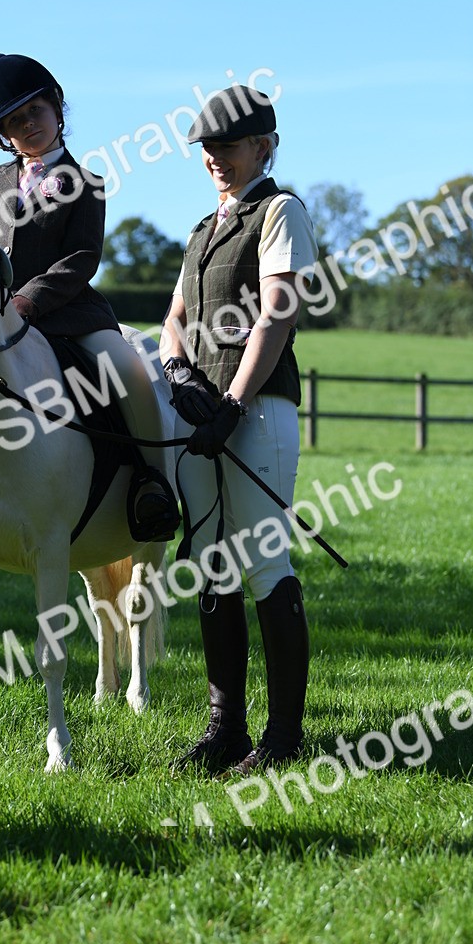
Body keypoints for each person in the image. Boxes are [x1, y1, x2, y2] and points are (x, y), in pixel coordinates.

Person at [0, 52, 179, 560]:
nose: (28, 127)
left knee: (129, 370)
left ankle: (149, 483)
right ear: (3, 134)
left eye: (35, 113)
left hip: (69, 314)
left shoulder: (84, 183)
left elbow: (82, 257)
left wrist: (28, 299)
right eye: (15, 123)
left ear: (57, 109)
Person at [160, 84, 318, 776]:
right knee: (209, 564)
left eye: (226, 146)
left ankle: (283, 737)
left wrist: (232, 401)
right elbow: (175, 319)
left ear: (264, 146)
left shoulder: (280, 211)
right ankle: (226, 730)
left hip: (258, 413)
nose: (215, 159)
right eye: (207, 149)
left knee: (262, 562)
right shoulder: (202, 230)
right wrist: (177, 374)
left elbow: (277, 314)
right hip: (201, 420)